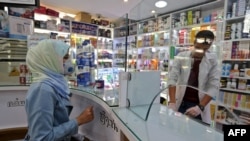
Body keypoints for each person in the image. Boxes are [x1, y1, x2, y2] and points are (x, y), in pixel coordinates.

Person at [24, 39, 94, 141]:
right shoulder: (43, 89)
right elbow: (42, 138)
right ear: (50, 59)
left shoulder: (54, 84)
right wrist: (78, 120)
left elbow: (56, 123)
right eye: (65, 57)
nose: (69, 61)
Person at [167, 30, 220, 124]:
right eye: (198, 47)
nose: (200, 52)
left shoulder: (213, 60)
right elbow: (172, 79)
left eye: (205, 49)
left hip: (199, 106)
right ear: (194, 42)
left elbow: (214, 86)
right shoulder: (181, 57)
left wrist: (200, 107)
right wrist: (172, 102)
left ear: (210, 46)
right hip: (180, 103)